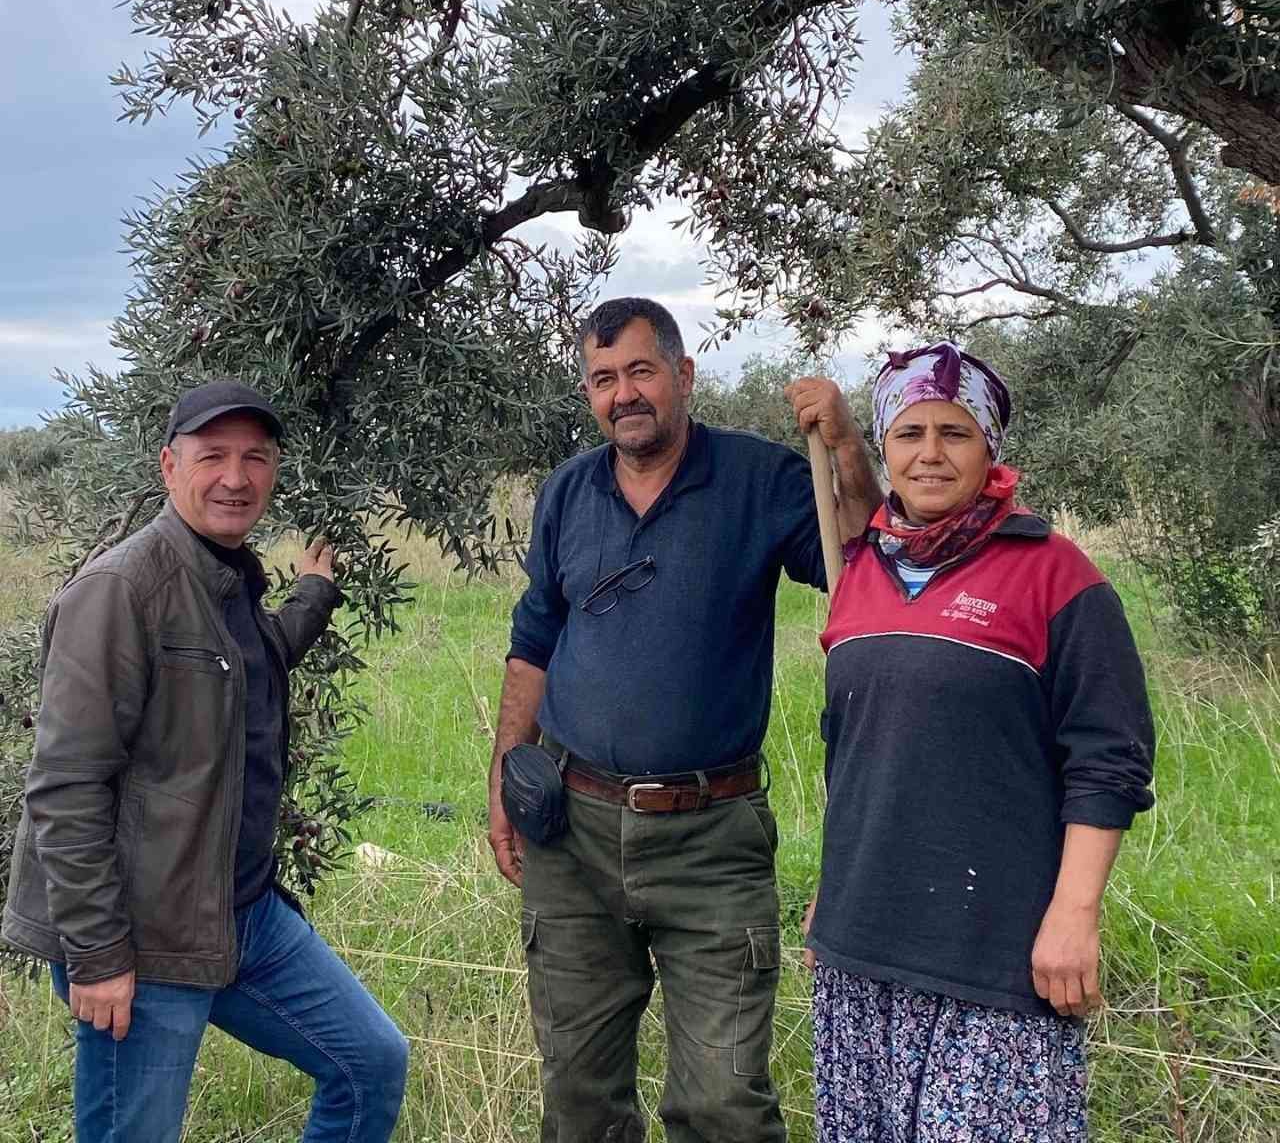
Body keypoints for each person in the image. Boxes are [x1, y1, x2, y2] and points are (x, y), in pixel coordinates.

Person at [487, 296, 879, 1143]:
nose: (623, 394)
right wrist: (504, 775)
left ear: (684, 374)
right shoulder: (568, 492)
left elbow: (863, 566)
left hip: (711, 840)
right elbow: (534, 642)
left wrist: (848, 449)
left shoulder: (761, 478)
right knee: (580, 1102)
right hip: (572, 833)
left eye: (640, 371)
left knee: (722, 1108)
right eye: (603, 379)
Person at [3, 380, 409, 1143]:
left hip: (243, 913)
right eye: (213, 455)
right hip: (144, 934)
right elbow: (64, 788)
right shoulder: (121, 591)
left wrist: (312, 597)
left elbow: (236, 672)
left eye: (255, 458)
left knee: (371, 1063)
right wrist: (97, 954)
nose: (235, 477)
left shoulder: (225, 576)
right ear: (169, 466)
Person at [802, 343, 1156, 1143]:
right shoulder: (862, 572)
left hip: (994, 959)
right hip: (860, 948)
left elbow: (1109, 759)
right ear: (886, 447)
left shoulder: (1055, 574)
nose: (930, 453)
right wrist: (835, 886)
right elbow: (855, 749)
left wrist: (1074, 914)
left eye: (954, 434)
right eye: (910, 433)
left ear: (989, 447)